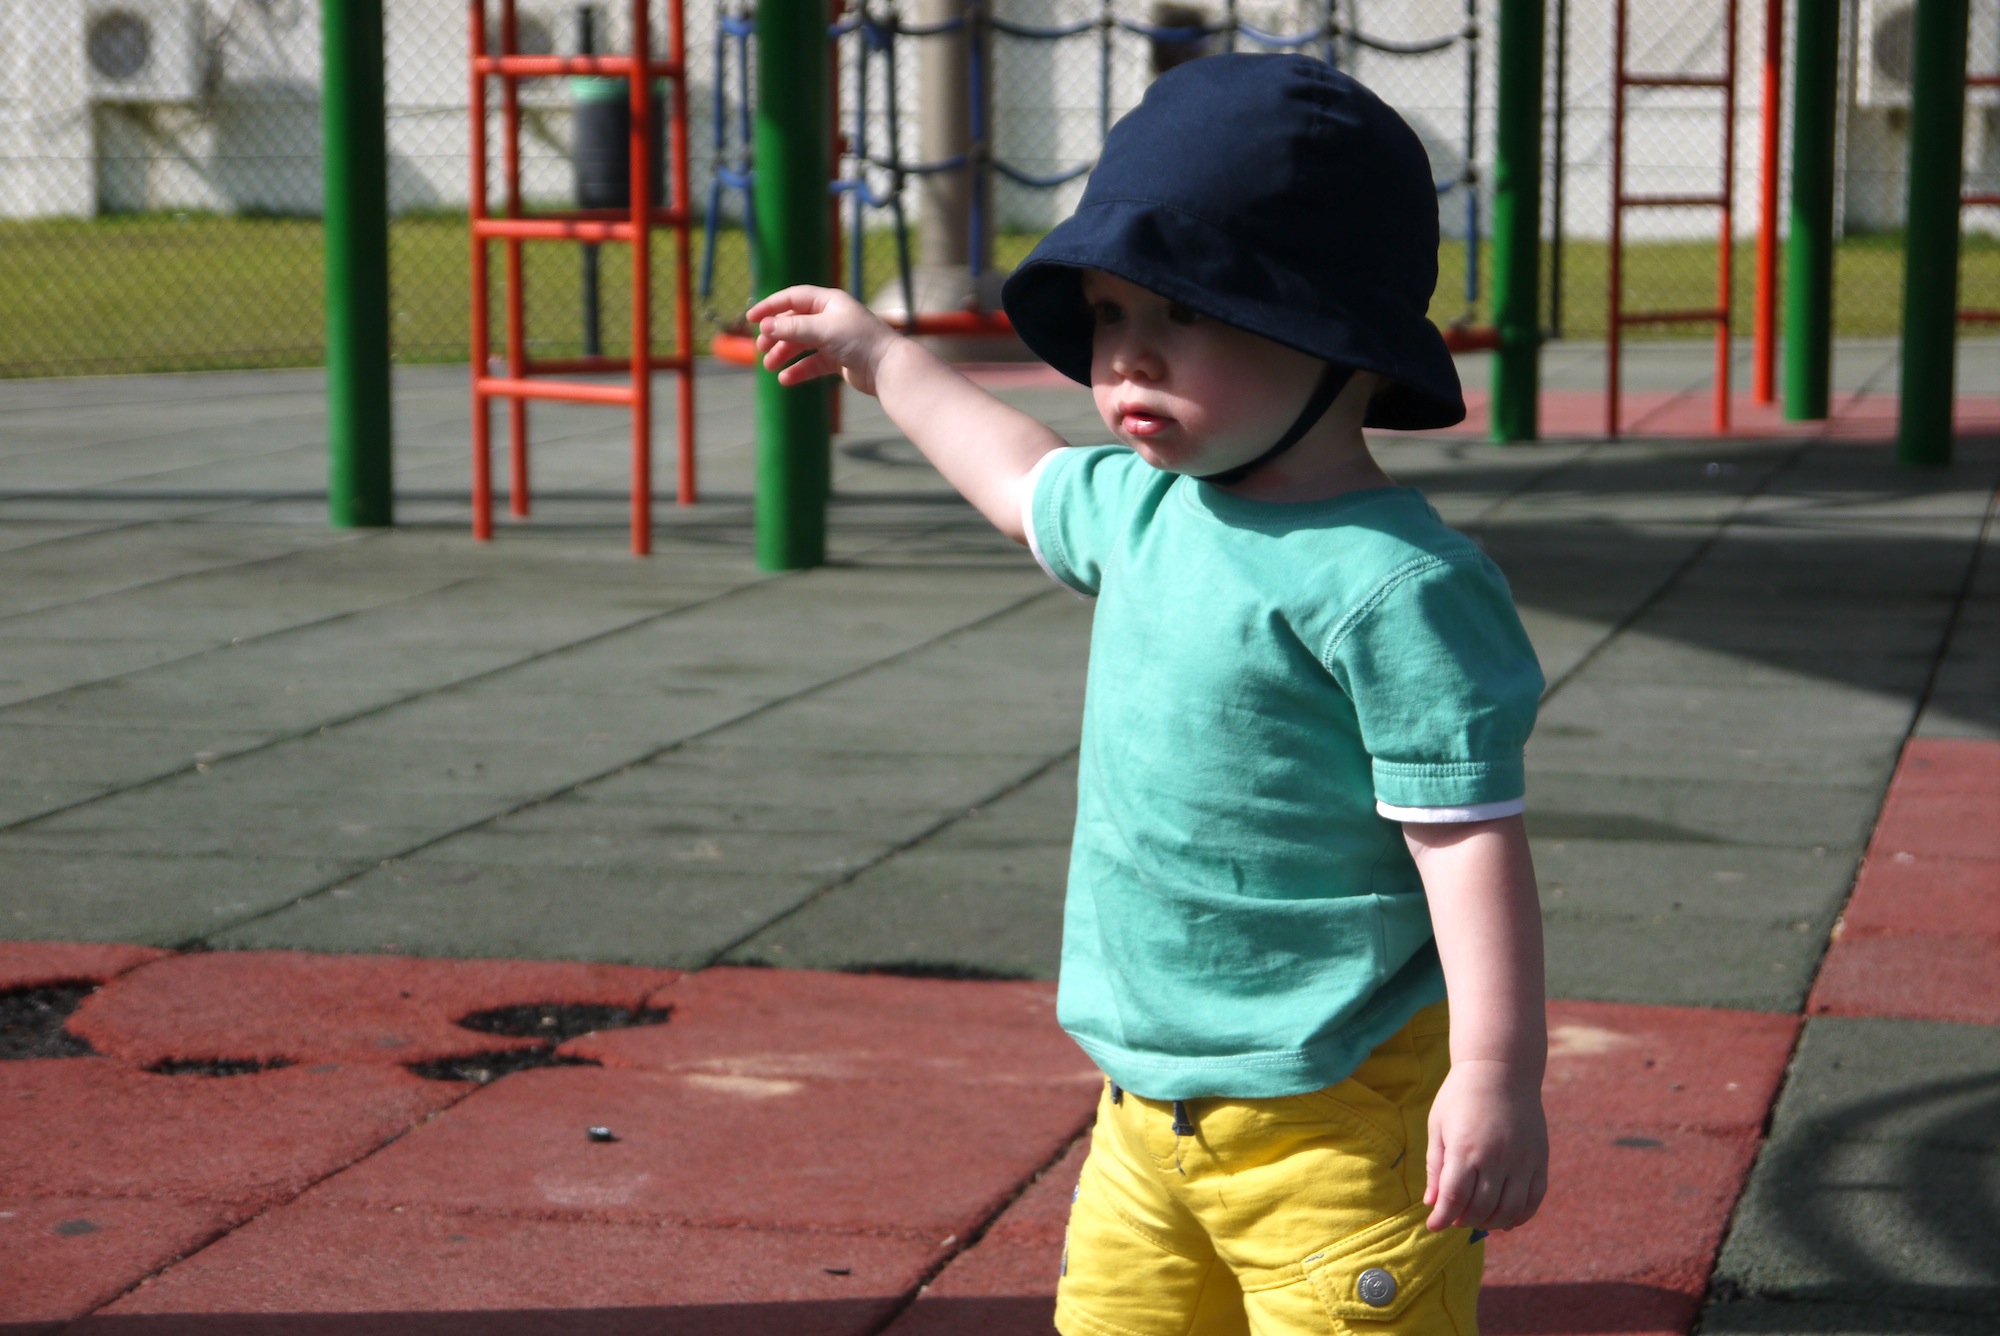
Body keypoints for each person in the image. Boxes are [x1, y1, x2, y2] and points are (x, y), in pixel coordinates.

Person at [749, 52, 1547, 1336]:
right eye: (1108, 312)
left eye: (1182, 312)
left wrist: (1495, 1073)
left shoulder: (1394, 585)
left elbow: (1463, 841)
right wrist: (883, 356)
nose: (1124, 355)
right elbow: (1016, 476)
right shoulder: (1144, 510)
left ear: (1328, 331)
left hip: (1337, 1114)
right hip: (1141, 1106)